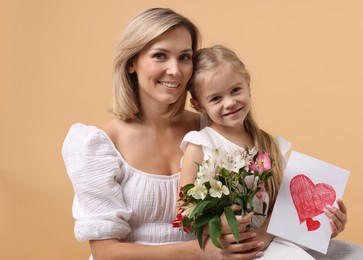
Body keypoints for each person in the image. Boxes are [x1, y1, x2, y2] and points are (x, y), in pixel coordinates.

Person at [62, 8, 265, 260]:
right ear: (131, 62)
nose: (175, 70)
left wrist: (317, 223)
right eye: (160, 56)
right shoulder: (98, 144)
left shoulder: (212, 129)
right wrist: (200, 251)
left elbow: (259, 203)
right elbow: (106, 251)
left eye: (184, 57)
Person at [178, 45, 363, 259]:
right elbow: (184, 214)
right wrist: (222, 225)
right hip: (236, 248)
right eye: (216, 98)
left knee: (359, 255)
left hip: (273, 238)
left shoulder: (268, 144)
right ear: (199, 106)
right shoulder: (201, 145)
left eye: (235, 90)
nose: (230, 102)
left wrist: (326, 225)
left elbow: (288, 211)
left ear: (248, 85)